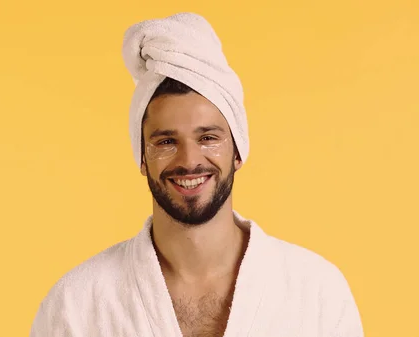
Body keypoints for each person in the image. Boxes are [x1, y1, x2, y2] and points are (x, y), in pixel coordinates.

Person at [30, 12, 363, 337]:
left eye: (208, 138)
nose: (189, 161)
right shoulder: (76, 305)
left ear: (238, 151)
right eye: (166, 141)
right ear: (142, 158)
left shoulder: (317, 294)